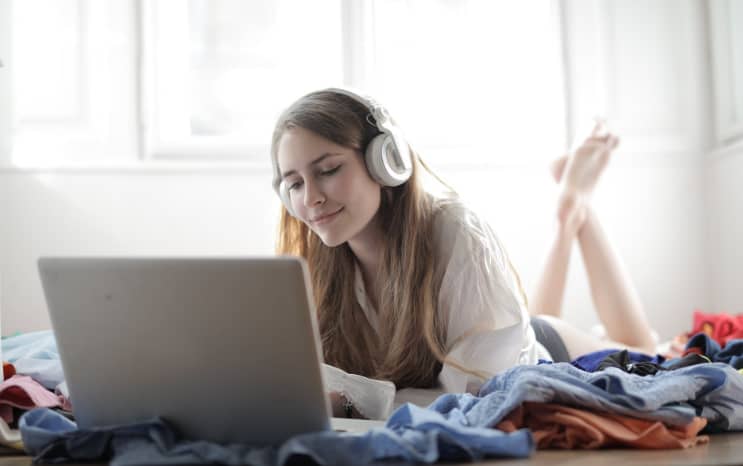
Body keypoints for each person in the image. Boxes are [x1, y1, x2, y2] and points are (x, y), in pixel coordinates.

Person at [269, 88, 657, 418]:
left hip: (532, 355)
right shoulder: (314, 262)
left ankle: (572, 206)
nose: (312, 198)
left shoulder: (455, 232)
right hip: (501, 331)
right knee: (534, 312)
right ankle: (570, 209)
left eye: (328, 170)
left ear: (385, 160)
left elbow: (483, 392)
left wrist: (355, 405)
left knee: (646, 351)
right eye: (295, 184)